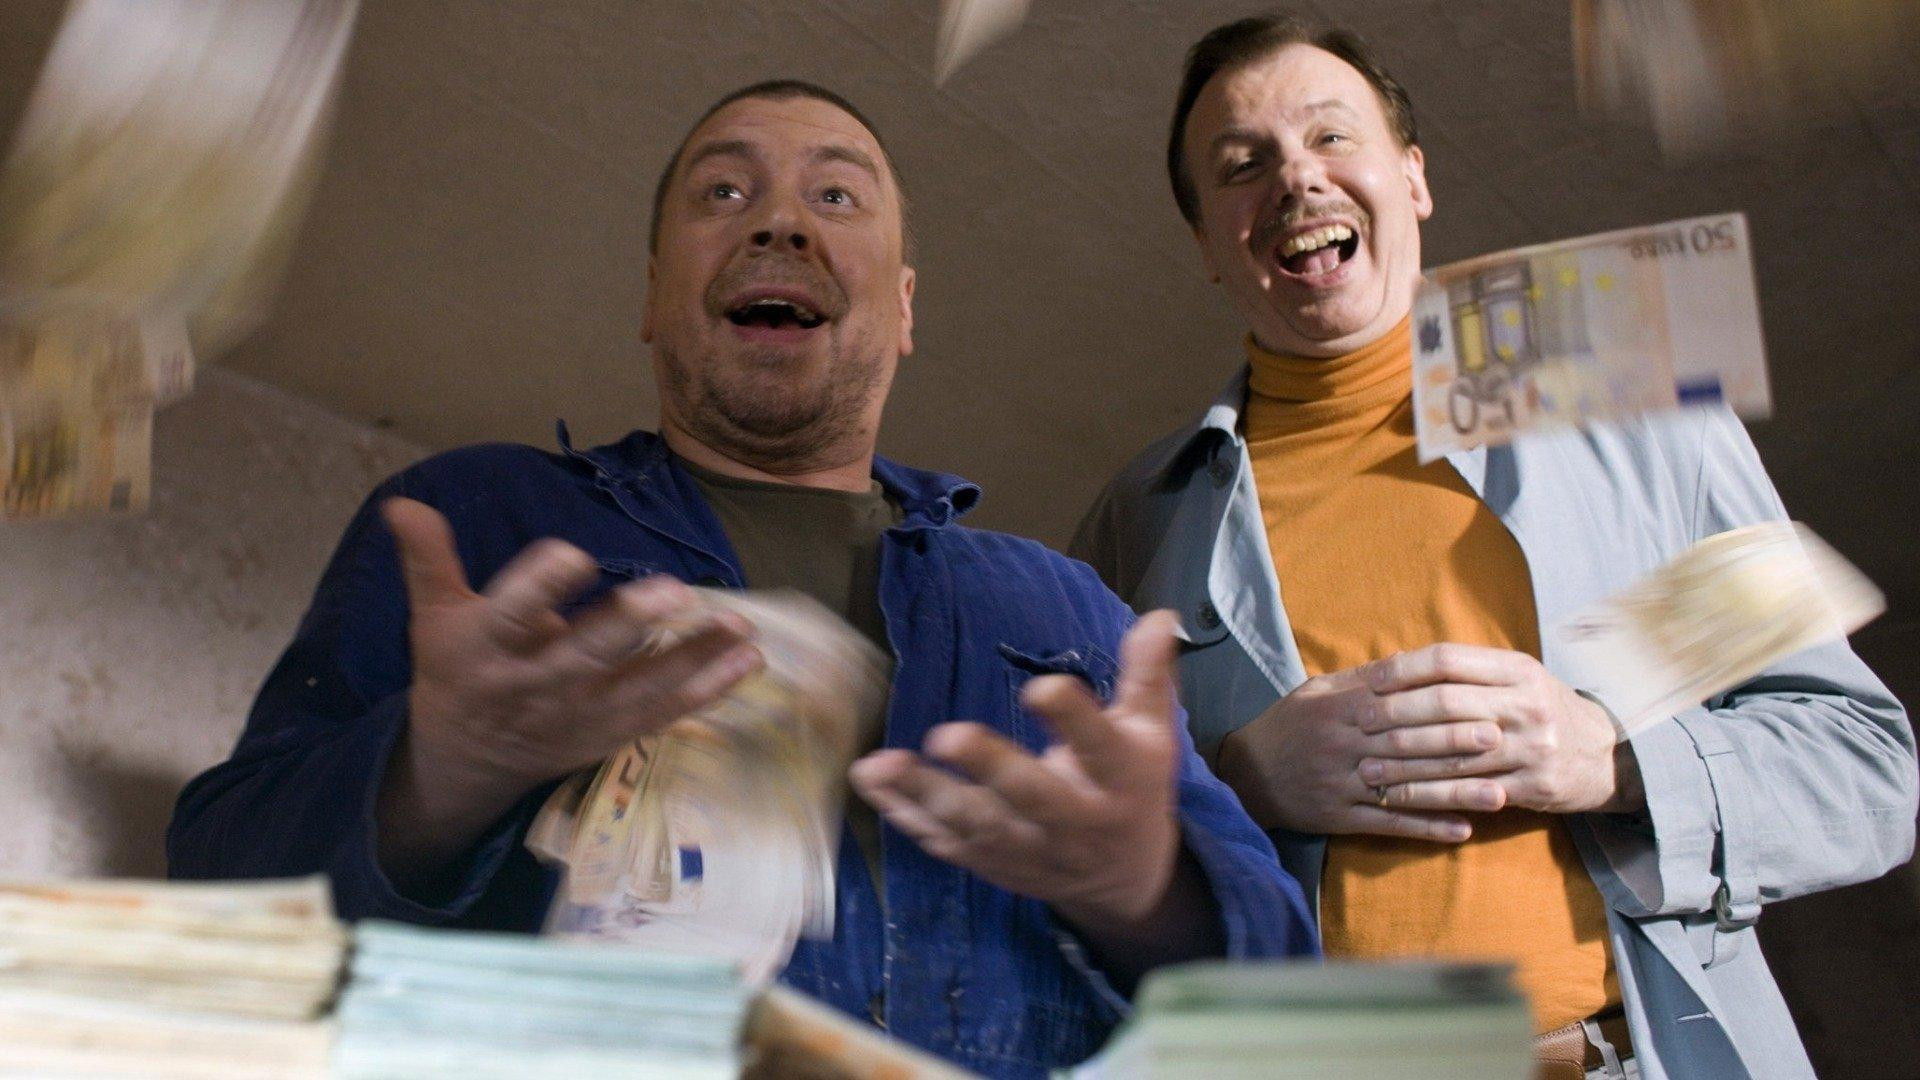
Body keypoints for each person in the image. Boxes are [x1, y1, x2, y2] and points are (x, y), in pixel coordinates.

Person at [166, 79, 1313, 1077]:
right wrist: (439, 773)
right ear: (653, 295)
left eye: (837, 196)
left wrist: (1145, 889)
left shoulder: (1064, 606)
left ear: (903, 308)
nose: (779, 222)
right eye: (722, 192)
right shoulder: (484, 520)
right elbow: (222, 901)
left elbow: (1284, 1001)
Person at [1071, 14, 1914, 1080]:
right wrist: (1235, 782)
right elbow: (1067, 876)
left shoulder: (1623, 386)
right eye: (1244, 166)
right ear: (1205, 244)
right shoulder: (1144, 518)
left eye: (1332, 137)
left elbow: (1861, 769)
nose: (1297, 179)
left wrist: (1609, 757)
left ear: (1412, 178)